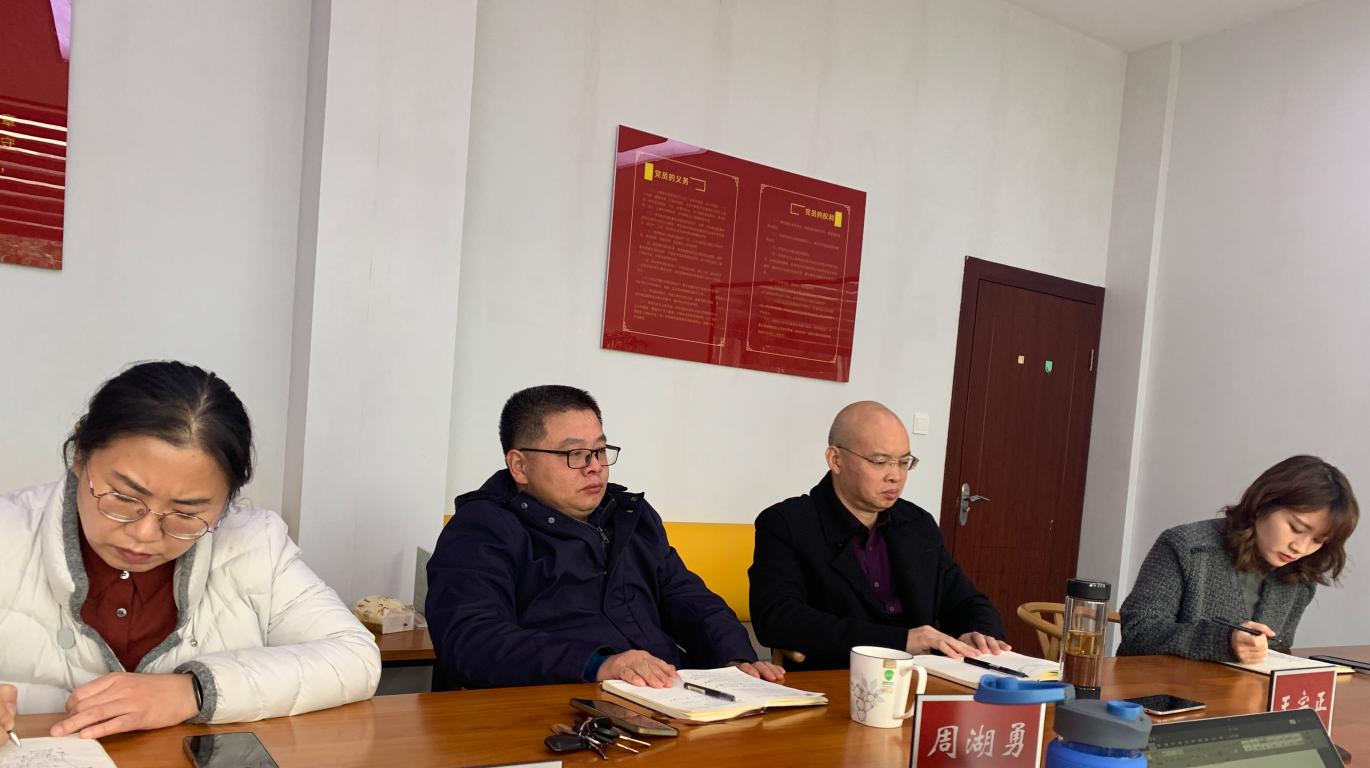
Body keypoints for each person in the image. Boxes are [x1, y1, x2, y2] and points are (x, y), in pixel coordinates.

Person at [0, 361, 380, 740]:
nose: (145, 534)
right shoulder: (8, 533)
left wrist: (194, 691)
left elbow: (354, 656)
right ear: (81, 455)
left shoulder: (254, 543)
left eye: (186, 514)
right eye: (123, 498)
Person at [427, 385, 783, 689]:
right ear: (519, 466)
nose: (595, 466)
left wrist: (734, 660)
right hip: (562, 704)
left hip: (664, 695)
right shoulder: (482, 529)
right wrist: (597, 664)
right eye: (575, 454)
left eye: (599, 451)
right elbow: (472, 639)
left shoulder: (630, 516)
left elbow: (689, 598)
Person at [750, 401, 1008, 670]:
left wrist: (980, 632)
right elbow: (778, 619)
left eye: (904, 462)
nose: (895, 476)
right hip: (837, 676)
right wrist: (900, 641)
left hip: (921, 676)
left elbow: (965, 599)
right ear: (835, 459)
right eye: (880, 462)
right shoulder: (788, 524)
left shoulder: (917, 524)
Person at [1119, 454, 1358, 663]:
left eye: (1318, 540)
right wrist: (1224, 641)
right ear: (1263, 503)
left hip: (1241, 697)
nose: (1300, 547)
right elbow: (1138, 632)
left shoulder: (1300, 577)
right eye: (1296, 528)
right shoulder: (1186, 547)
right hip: (1160, 696)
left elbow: (1276, 651)